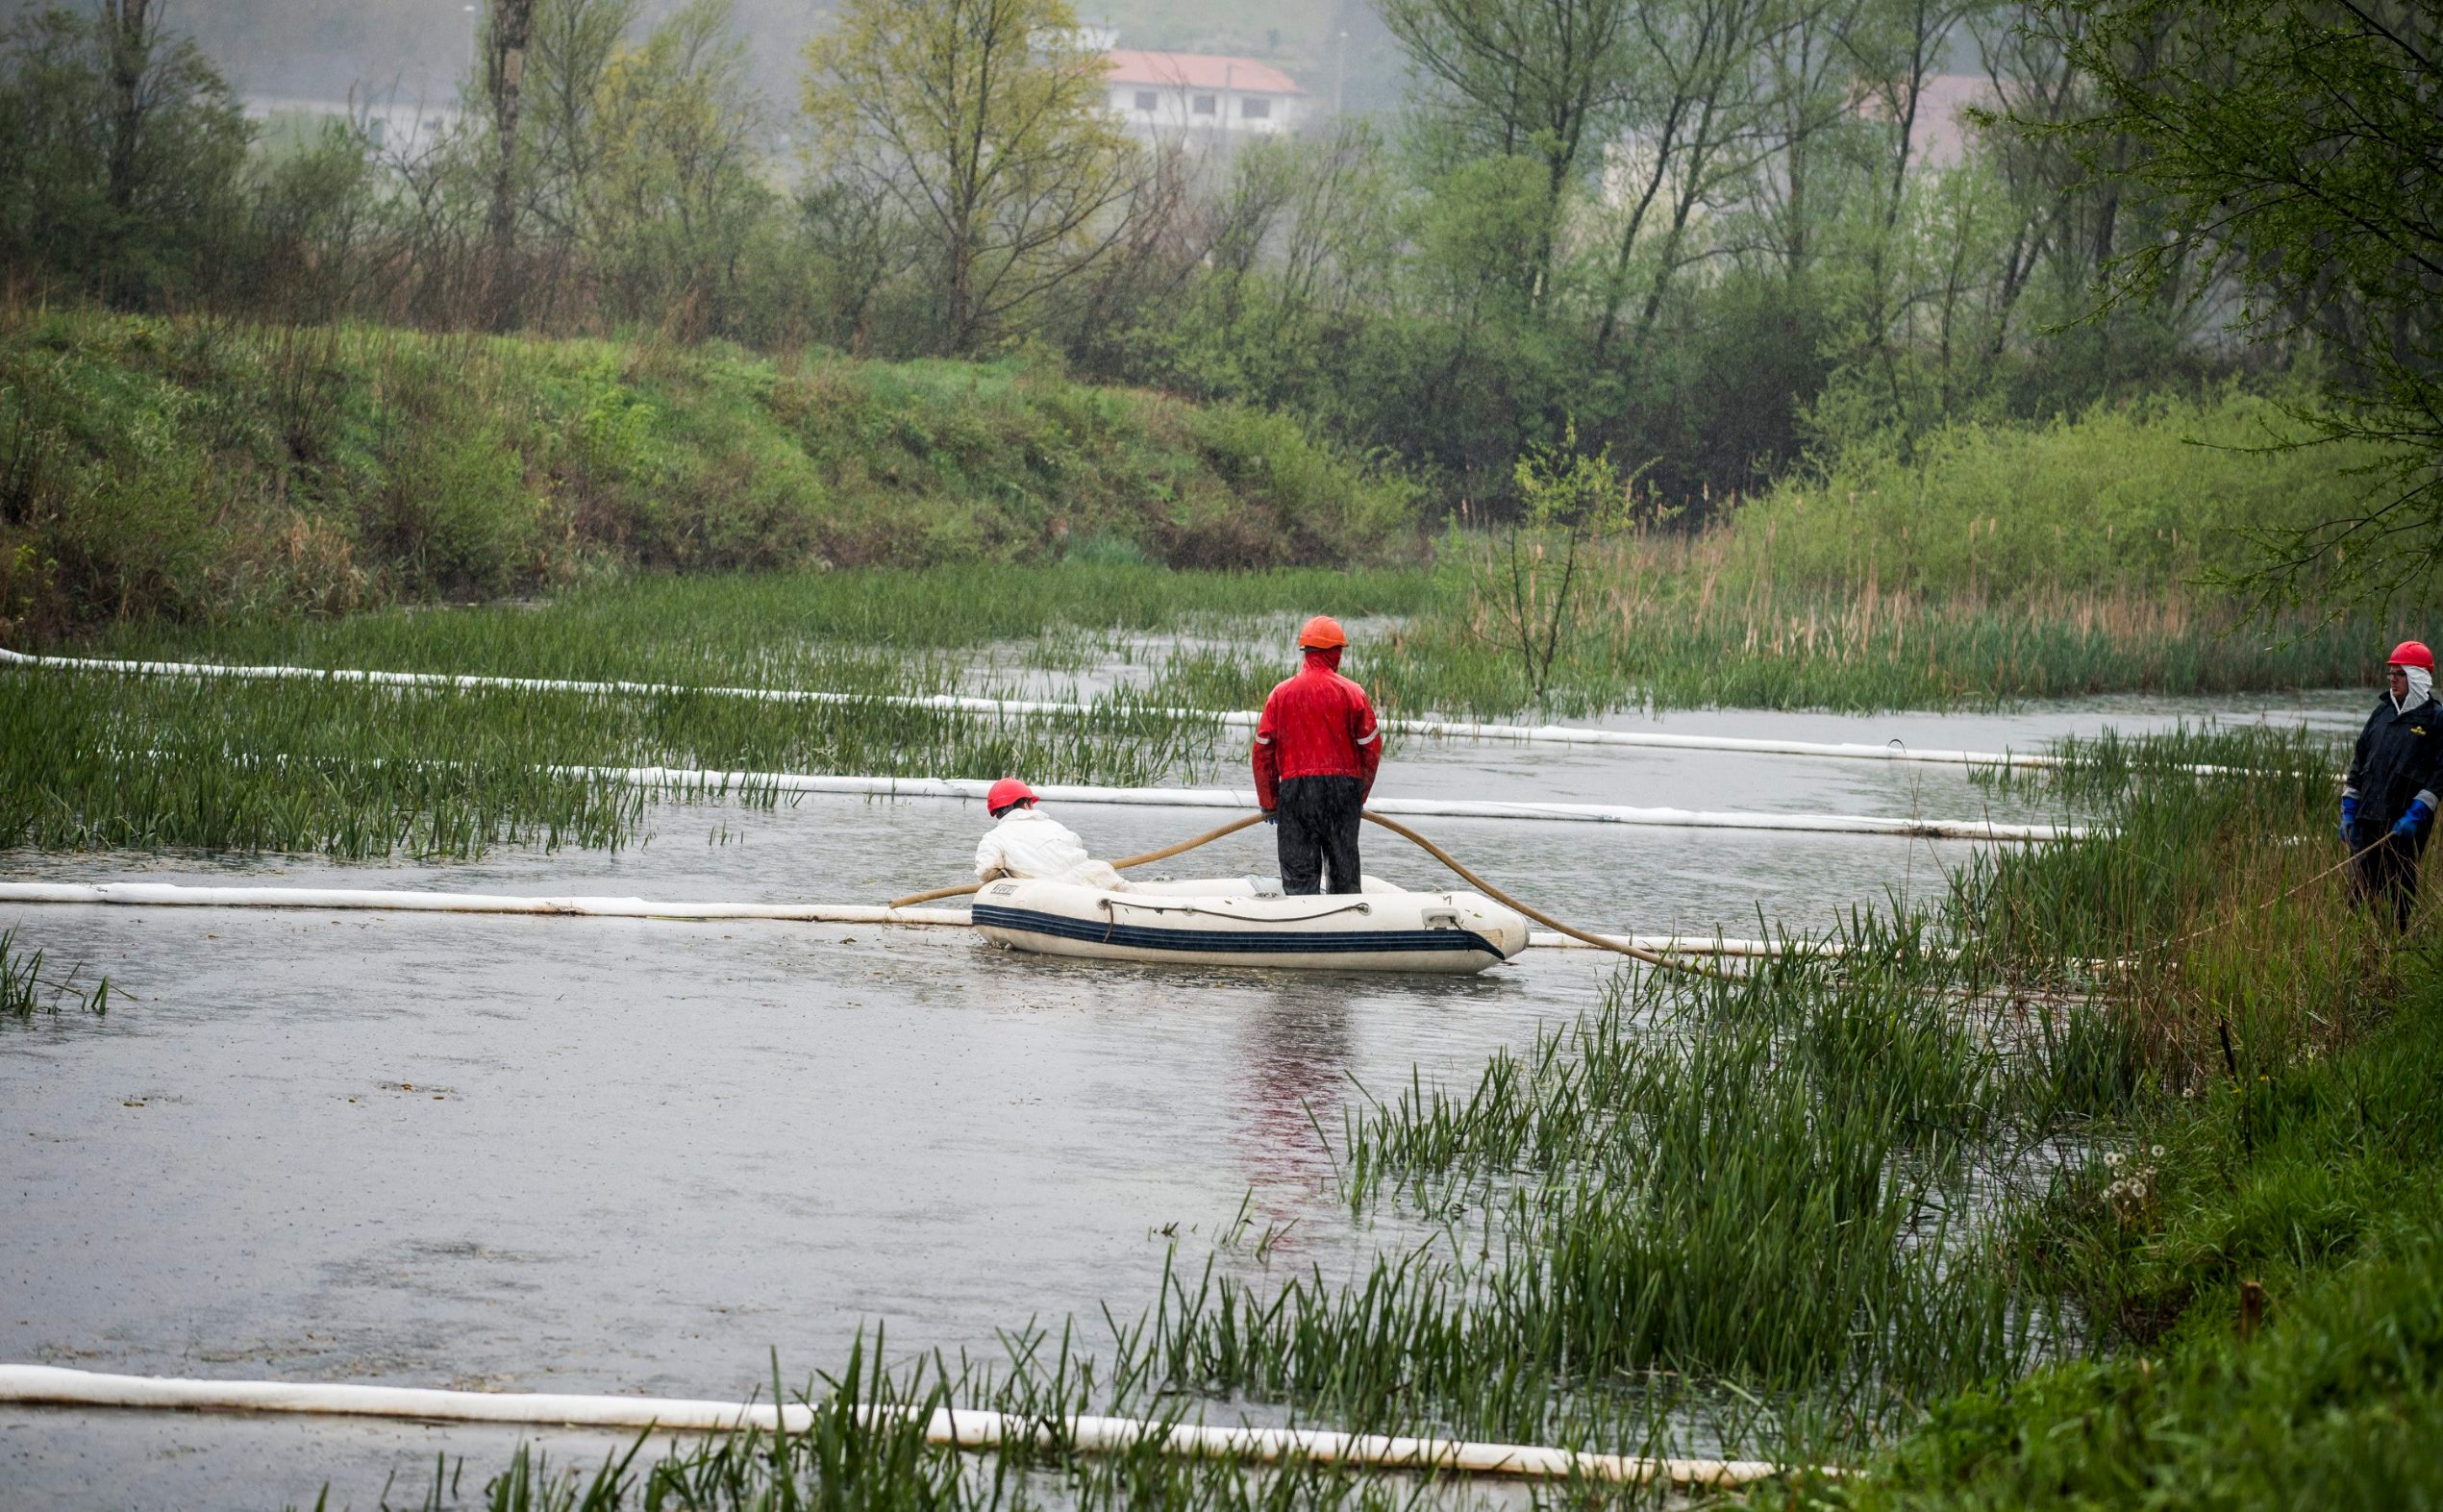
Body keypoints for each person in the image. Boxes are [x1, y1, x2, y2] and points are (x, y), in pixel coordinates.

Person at [1252, 615, 1383, 895]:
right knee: (1344, 878)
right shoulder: (1353, 694)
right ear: (1336, 652)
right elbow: (1371, 750)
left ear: (1306, 651)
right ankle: (1345, 928)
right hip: (1341, 793)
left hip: (1296, 794)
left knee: (1299, 881)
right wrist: (1358, 796)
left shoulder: (1280, 694)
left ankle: (1301, 926)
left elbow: (1262, 750)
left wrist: (1269, 801)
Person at [2342, 640, 2442, 929]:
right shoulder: (2381, 713)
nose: (2392, 679)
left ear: (2418, 677)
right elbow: (2359, 762)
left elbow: (2440, 774)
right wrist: (2349, 808)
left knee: (2397, 899)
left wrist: (2419, 811)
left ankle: (2393, 956)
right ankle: (2361, 957)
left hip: (2404, 829)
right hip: (2366, 822)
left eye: (2399, 673)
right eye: (2390, 673)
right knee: (2357, 898)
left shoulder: (2436, 720)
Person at [974, 779, 1126, 889]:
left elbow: (987, 871)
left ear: (996, 812)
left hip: (1047, 893)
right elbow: (1077, 846)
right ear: (1027, 804)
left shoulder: (993, 838)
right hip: (1092, 879)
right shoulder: (1056, 827)